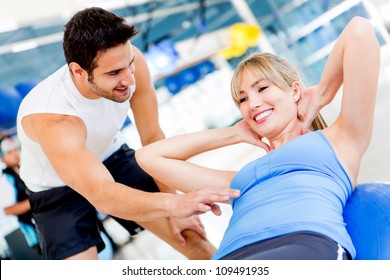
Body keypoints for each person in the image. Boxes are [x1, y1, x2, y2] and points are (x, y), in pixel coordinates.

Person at [135, 16, 380, 260]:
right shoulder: (236, 182)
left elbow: (359, 30)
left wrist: (323, 93)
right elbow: (148, 156)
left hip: (303, 245)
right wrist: (233, 132)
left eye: (262, 88)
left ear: (294, 91)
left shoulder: (340, 140)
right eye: (242, 99)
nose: (252, 103)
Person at [16, 7, 238, 260]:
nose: (129, 80)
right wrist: (175, 204)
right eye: (113, 74)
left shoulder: (132, 61)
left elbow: (153, 138)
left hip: (113, 158)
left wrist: (172, 201)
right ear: (78, 71)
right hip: (55, 191)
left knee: (194, 240)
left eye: (128, 65)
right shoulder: (54, 117)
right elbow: (102, 195)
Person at [0, 136, 41, 256]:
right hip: (30, 237)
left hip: (42, 227)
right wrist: (39, 199)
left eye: (15, 149)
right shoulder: (6, 179)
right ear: (2, 158)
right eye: (9, 152)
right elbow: (8, 209)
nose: (15, 153)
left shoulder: (25, 169)